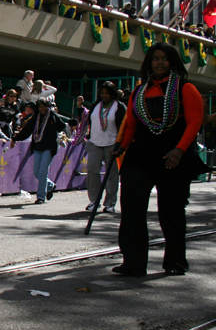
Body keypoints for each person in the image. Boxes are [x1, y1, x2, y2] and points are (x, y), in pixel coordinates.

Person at [112, 43, 206, 277]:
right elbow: (132, 124)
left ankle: (175, 261)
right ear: (149, 63)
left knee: (171, 212)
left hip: (173, 157)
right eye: (155, 58)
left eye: (164, 58)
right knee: (132, 209)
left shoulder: (186, 88)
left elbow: (195, 121)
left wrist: (179, 150)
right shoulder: (140, 91)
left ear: (172, 62)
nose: (160, 62)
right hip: (140, 156)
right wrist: (121, 145)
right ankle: (133, 262)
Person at [75, 82, 126, 213]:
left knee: (111, 174)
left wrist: (119, 145)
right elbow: (87, 119)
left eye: (107, 93)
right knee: (92, 171)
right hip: (95, 143)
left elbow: (123, 126)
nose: (104, 96)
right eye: (102, 93)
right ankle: (94, 201)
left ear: (112, 94)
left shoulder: (119, 107)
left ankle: (110, 203)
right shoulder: (96, 105)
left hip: (112, 144)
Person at [11, 98, 66, 204]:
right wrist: (15, 138)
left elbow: (63, 127)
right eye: (40, 107)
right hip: (37, 147)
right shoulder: (36, 117)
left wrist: (62, 135)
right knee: (37, 172)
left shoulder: (53, 116)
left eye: (44, 106)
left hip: (49, 147)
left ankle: (41, 197)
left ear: (48, 106)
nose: (43, 109)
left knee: (43, 171)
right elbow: (27, 130)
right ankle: (50, 186)